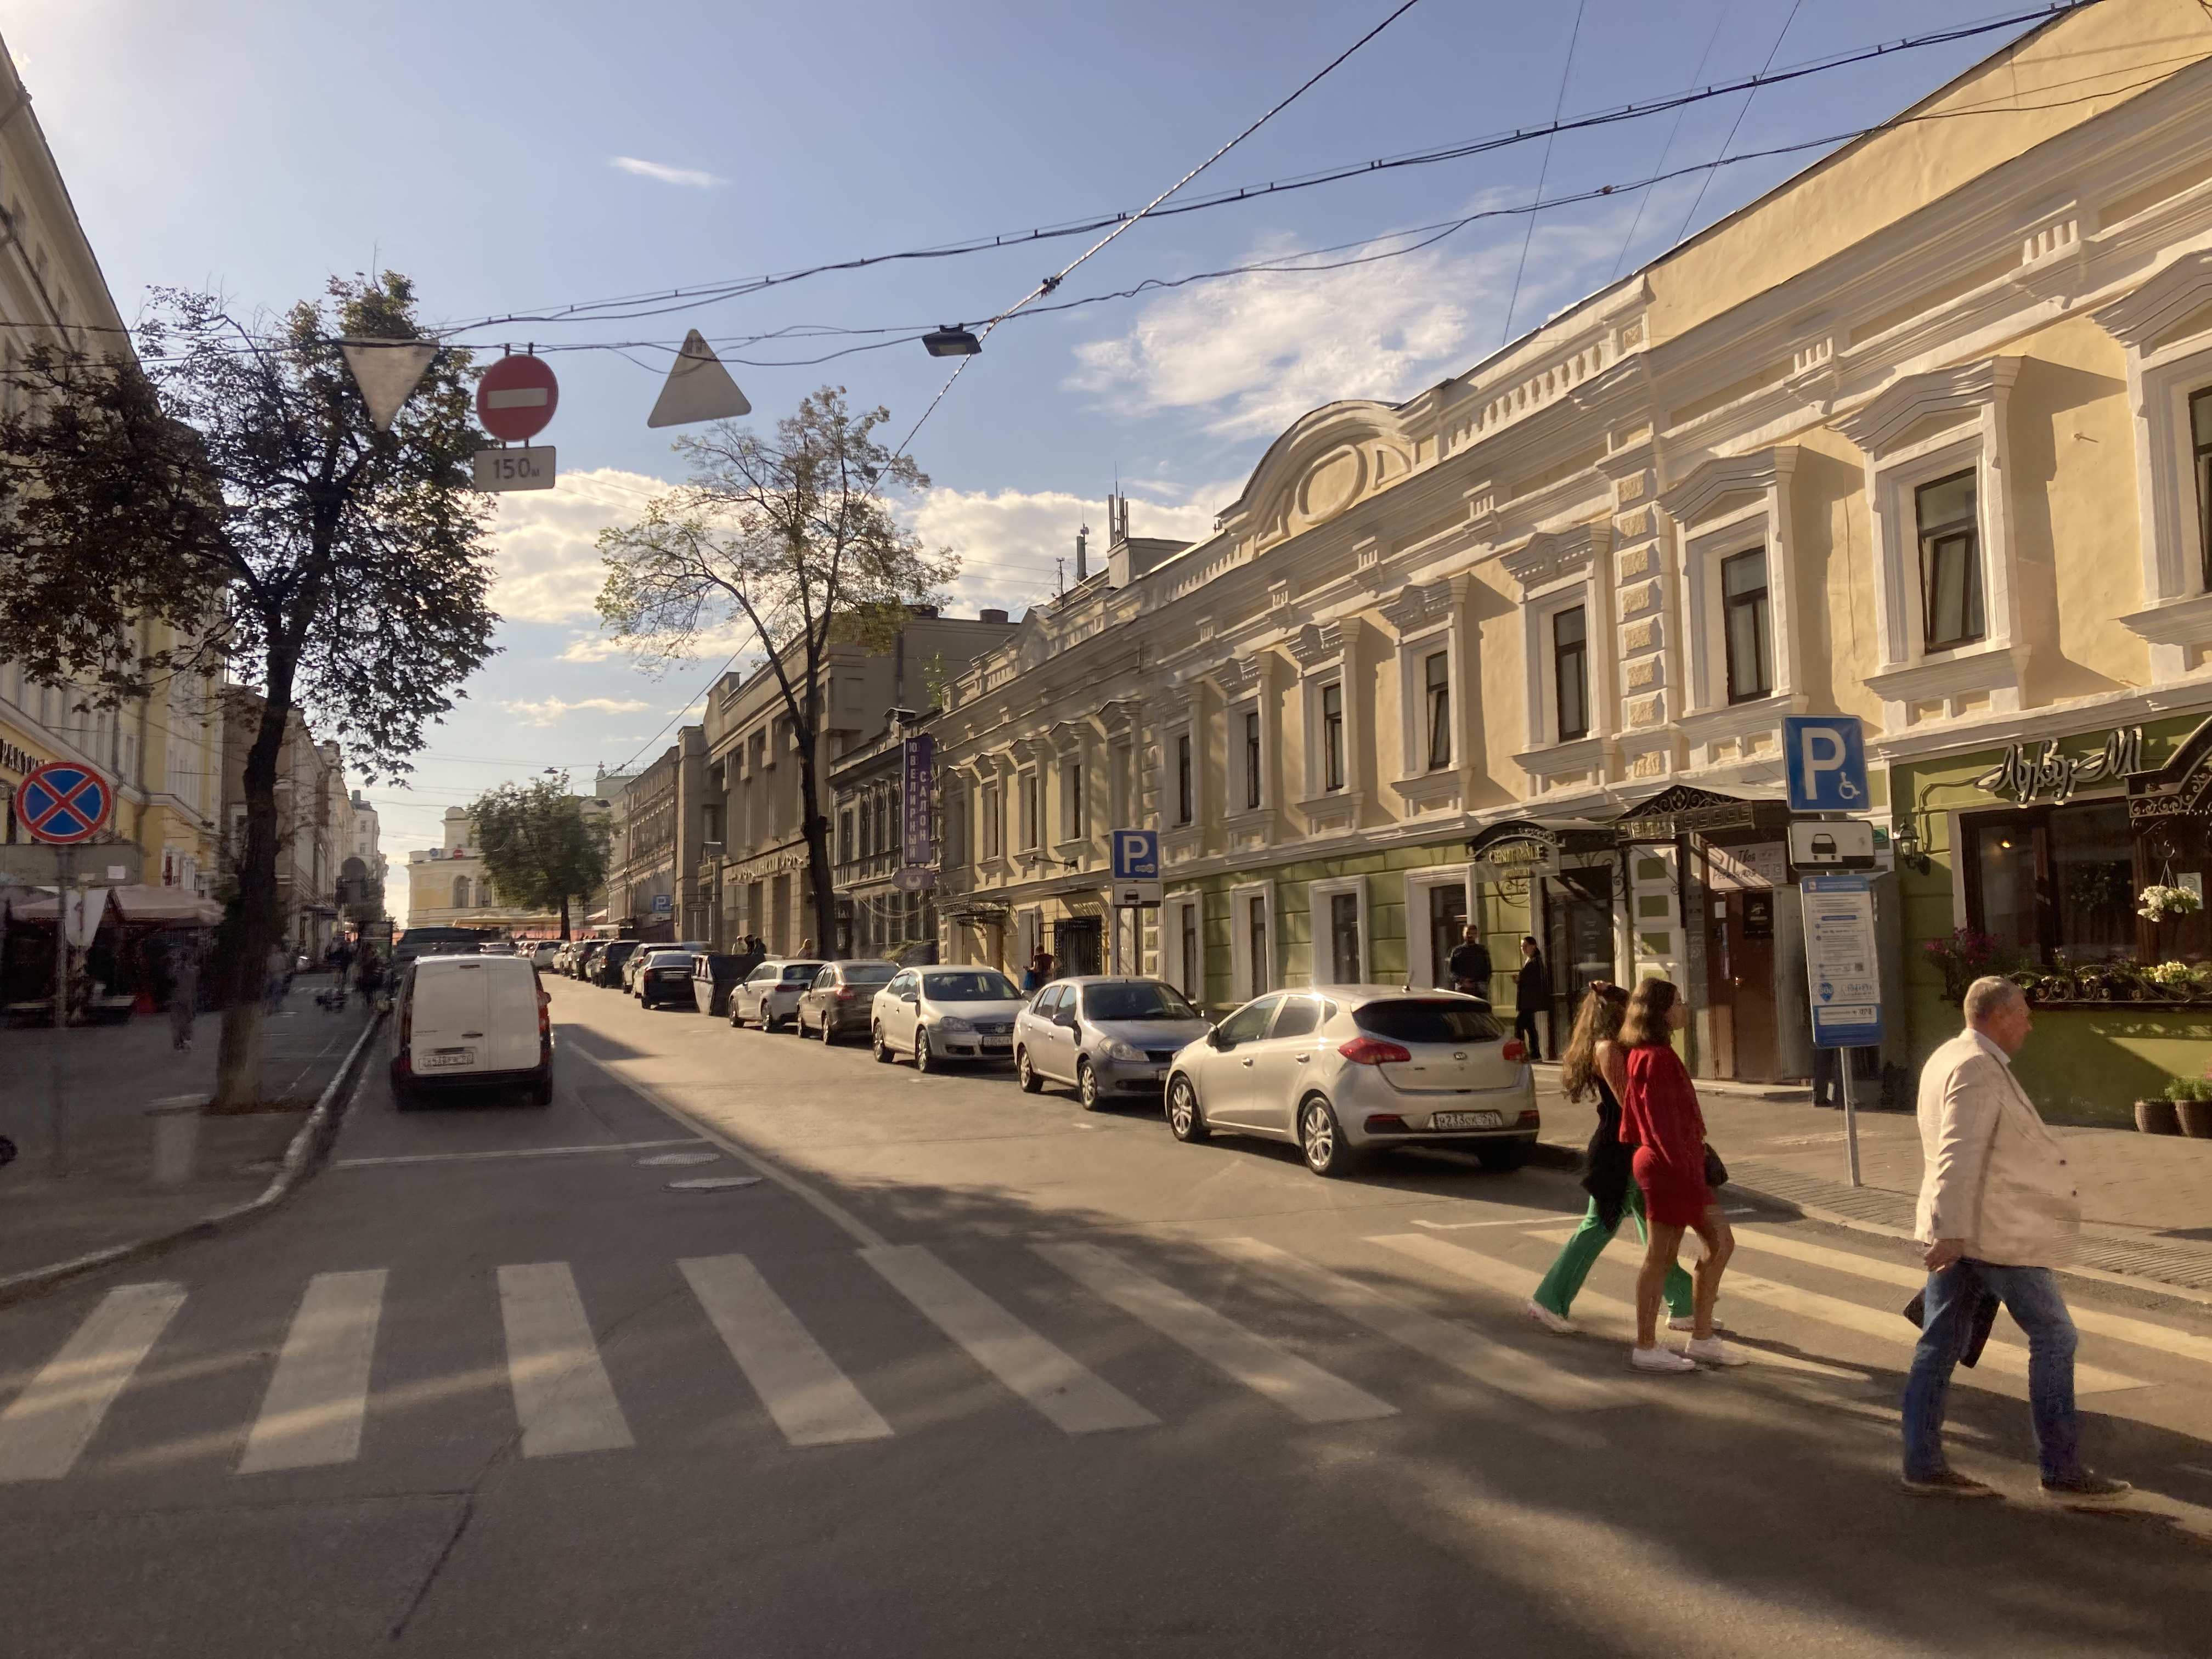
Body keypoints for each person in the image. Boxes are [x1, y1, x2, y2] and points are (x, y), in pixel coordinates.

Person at [1901, 977, 2130, 1505]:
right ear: (1998, 1016)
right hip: (1991, 1233)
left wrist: (1949, 1229)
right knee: (2055, 1338)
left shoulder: (1951, 1056)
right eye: (2023, 1013)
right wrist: (1953, 1231)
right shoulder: (1977, 1068)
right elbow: (1958, 1155)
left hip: (1968, 1230)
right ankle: (2062, 1470)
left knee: (1938, 1345)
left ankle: (1922, 1462)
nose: (2029, 1023)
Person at [1526, 984, 1695, 1336]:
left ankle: (1682, 1305)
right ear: (1618, 1013)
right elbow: (1629, 1105)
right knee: (1598, 1226)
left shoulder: (1619, 1046)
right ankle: (1549, 1300)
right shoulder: (1608, 1049)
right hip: (1615, 1152)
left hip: (1631, 1148)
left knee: (1656, 1230)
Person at [1618, 977, 1743, 1373]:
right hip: (1670, 1168)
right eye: (1678, 1002)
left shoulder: (1654, 1053)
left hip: (1675, 1164)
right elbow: (1659, 1125)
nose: (1684, 1008)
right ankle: (1647, 1345)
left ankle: (1701, 1337)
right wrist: (1688, 1172)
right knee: (1662, 1256)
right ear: (1661, 1012)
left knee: (1720, 1243)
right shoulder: (1654, 1058)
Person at [1513, 935, 1549, 1060]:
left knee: (1519, 1024)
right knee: (1530, 1027)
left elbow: (1532, 980)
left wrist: (1519, 980)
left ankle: (1522, 1052)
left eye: (1525, 946)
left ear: (1533, 946)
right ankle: (1535, 1053)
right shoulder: (1531, 960)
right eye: (1522, 946)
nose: (1523, 949)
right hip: (1527, 1001)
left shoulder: (1535, 962)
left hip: (1529, 1001)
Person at [167, 947, 201, 1052]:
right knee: (187, 1021)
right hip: (188, 998)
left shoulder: (175, 971)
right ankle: (187, 1041)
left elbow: (170, 983)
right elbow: (194, 989)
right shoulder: (193, 972)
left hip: (176, 998)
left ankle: (179, 1043)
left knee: (177, 1021)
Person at [1447, 926, 1493, 1000]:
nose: (1470, 936)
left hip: (1479, 989)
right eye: (1468, 933)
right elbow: (1451, 971)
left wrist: (1479, 983)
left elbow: (1488, 970)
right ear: (1463, 934)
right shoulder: (1457, 951)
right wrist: (1462, 981)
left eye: (1473, 933)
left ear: (1477, 935)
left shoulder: (1482, 951)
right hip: (1462, 989)